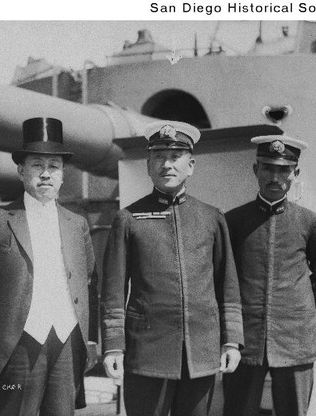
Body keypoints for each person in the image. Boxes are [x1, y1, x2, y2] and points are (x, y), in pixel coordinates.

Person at [101, 120, 244, 416]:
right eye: (159, 157)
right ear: (148, 165)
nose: (167, 164)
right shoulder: (128, 219)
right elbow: (112, 289)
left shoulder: (212, 218)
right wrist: (113, 346)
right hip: (147, 352)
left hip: (200, 353)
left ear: (190, 165)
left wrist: (231, 341)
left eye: (175, 157)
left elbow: (226, 284)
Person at [0, 117, 99, 416]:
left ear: (63, 174)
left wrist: (90, 339)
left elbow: (90, 284)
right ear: (21, 171)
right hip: (18, 344)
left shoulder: (77, 224)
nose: (45, 174)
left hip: (66, 341)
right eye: (37, 165)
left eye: (53, 167)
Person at [223, 135, 316, 416]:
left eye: (284, 169)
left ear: (295, 173)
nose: (275, 177)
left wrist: (297, 310)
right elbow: (222, 277)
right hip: (245, 340)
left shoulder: (311, 223)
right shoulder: (233, 221)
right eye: (267, 168)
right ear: (255, 170)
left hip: (294, 340)